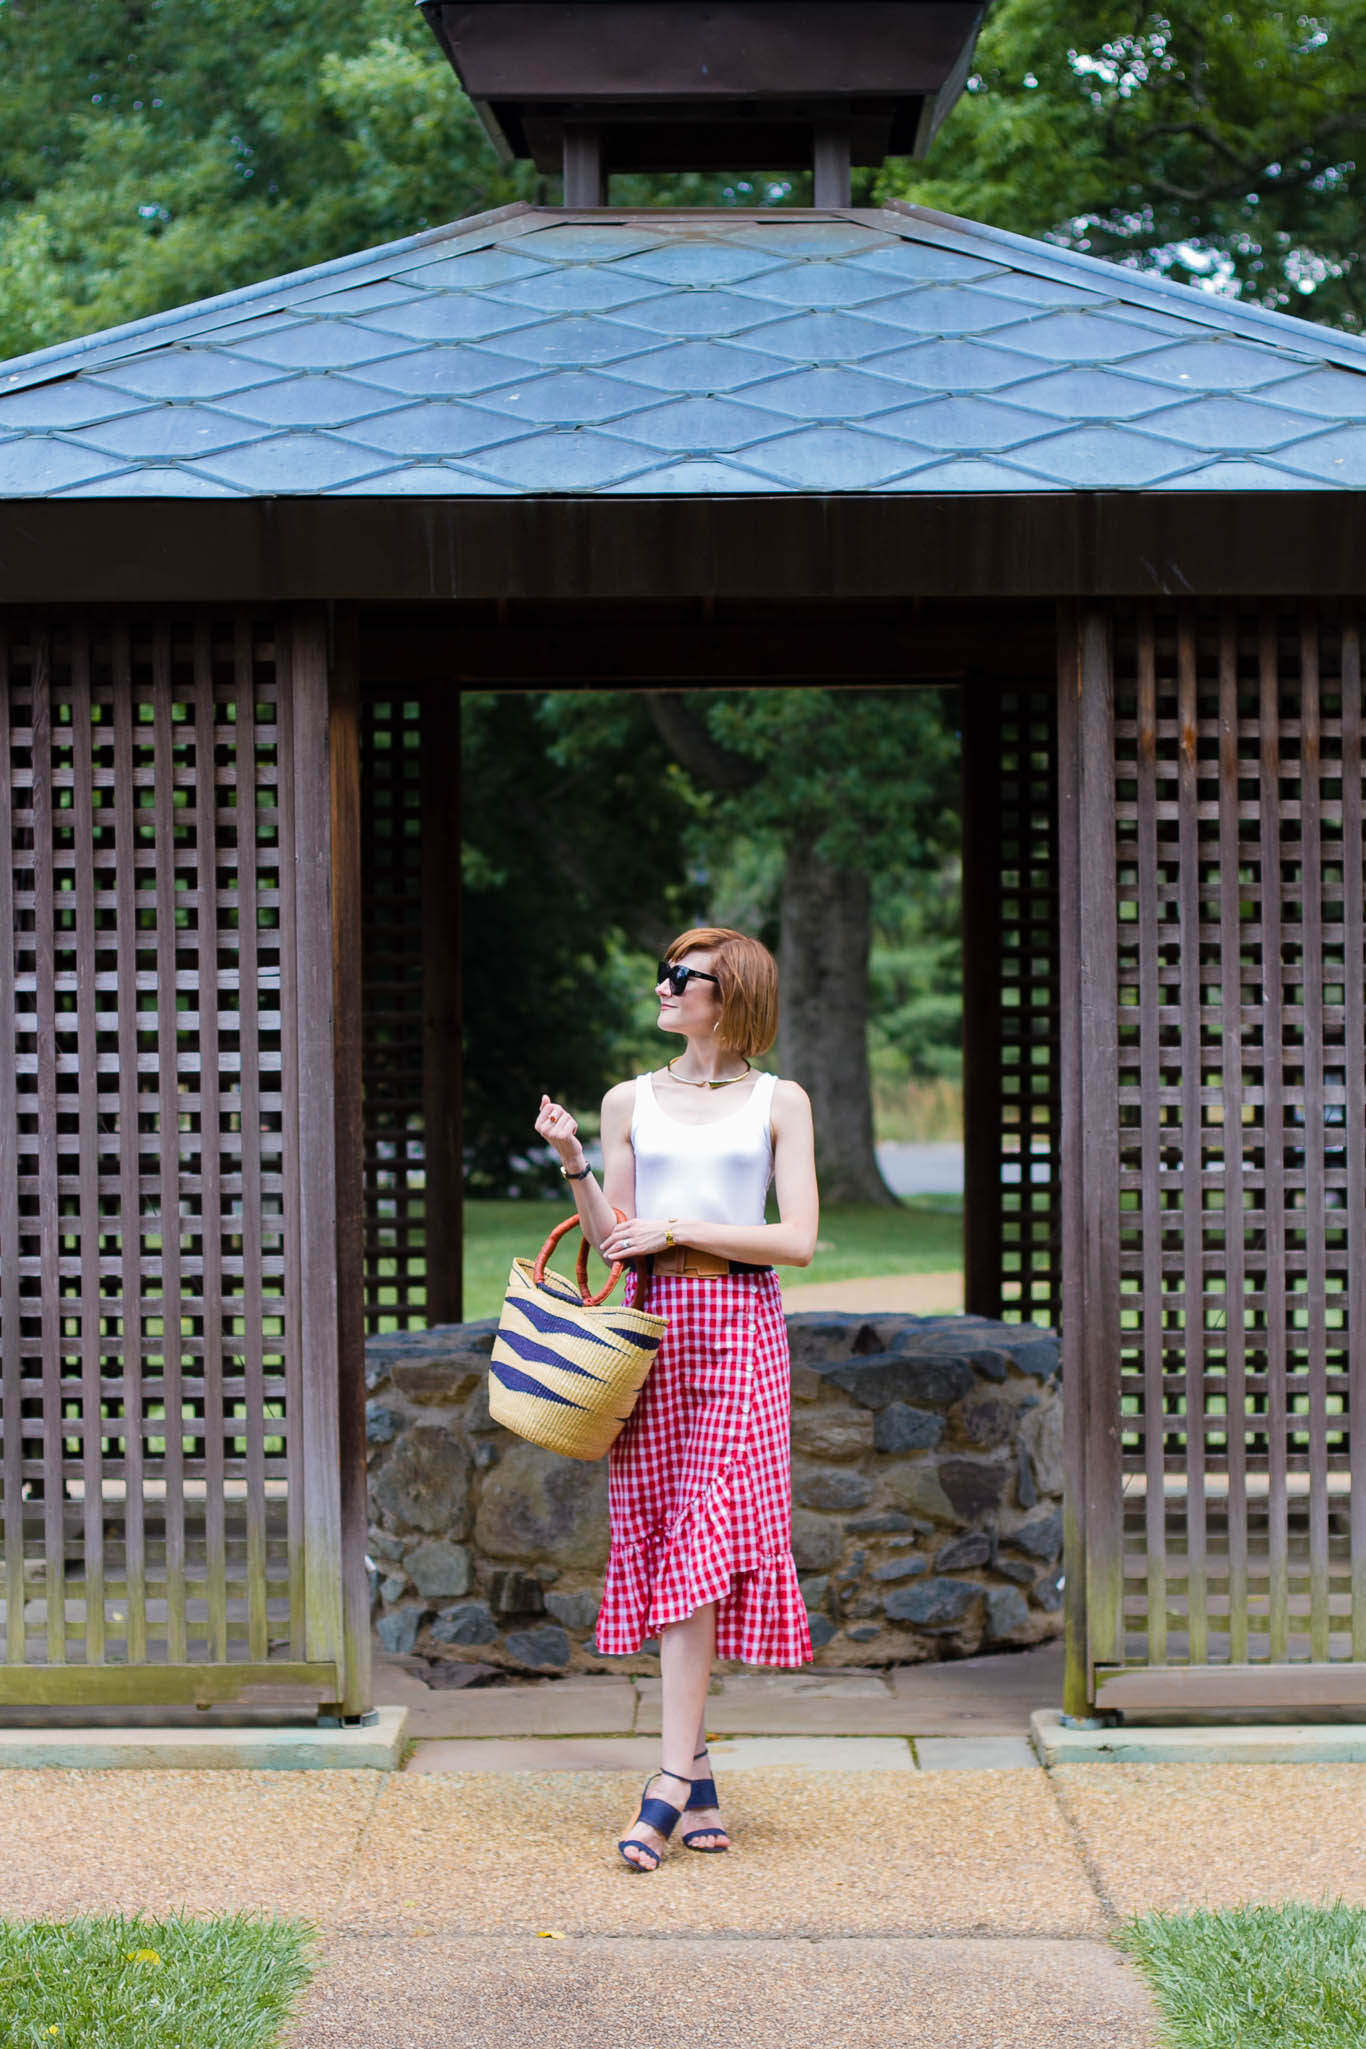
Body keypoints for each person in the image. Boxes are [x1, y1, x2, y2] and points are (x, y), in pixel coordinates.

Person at [533, 926, 819, 1871]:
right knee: (663, 1533)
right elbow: (613, 1236)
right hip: (651, 1332)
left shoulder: (780, 1101)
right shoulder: (627, 1101)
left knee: (705, 1538)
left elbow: (800, 1240)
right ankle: (694, 1772)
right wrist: (575, 1157)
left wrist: (683, 1224)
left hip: (740, 1330)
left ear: (729, 996)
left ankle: (662, 1785)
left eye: (680, 977)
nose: (662, 986)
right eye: (665, 973)